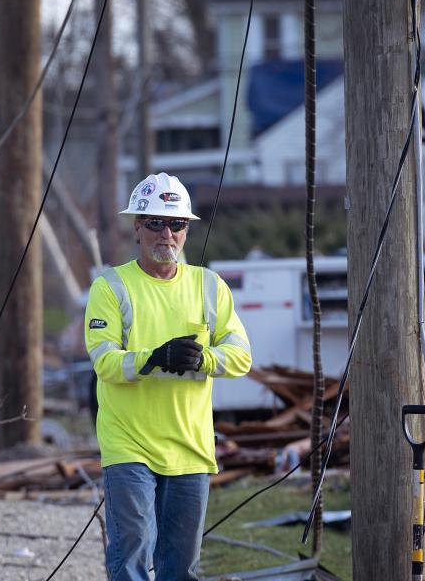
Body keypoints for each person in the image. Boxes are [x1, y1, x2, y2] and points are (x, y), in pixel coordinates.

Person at [84, 172, 252, 581]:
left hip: (190, 448)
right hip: (130, 444)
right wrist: (153, 358)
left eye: (176, 224)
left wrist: (205, 359)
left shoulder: (209, 287)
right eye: (155, 222)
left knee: (181, 566)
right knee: (133, 555)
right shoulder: (112, 286)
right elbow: (104, 361)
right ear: (137, 227)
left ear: (187, 230)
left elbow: (241, 356)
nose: (167, 233)